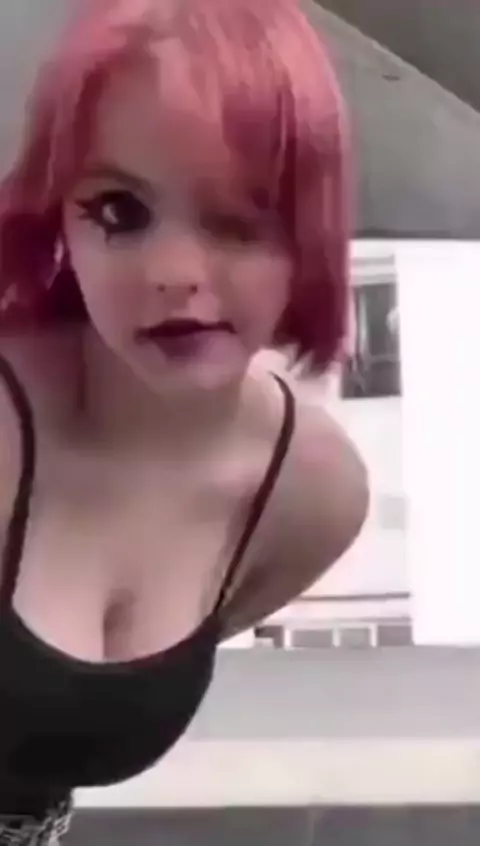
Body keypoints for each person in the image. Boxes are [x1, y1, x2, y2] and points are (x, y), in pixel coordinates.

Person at [0, 0, 368, 841]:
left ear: (311, 226)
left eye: (238, 218)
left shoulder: (309, 497)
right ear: (57, 216)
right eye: (119, 213)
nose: (174, 273)